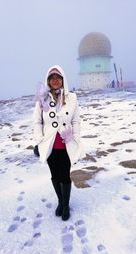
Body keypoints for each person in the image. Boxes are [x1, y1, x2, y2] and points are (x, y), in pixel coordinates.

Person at [33, 65, 84, 221]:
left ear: (63, 80)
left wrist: (75, 136)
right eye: (52, 78)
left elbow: (76, 120)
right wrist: (39, 140)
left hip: (66, 143)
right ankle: (60, 202)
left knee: (65, 176)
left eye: (58, 78)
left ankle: (66, 204)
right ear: (48, 81)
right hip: (49, 145)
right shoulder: (43, 98)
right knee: (54, 175)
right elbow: (37, 122)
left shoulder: (72, 98)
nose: (55, 81)